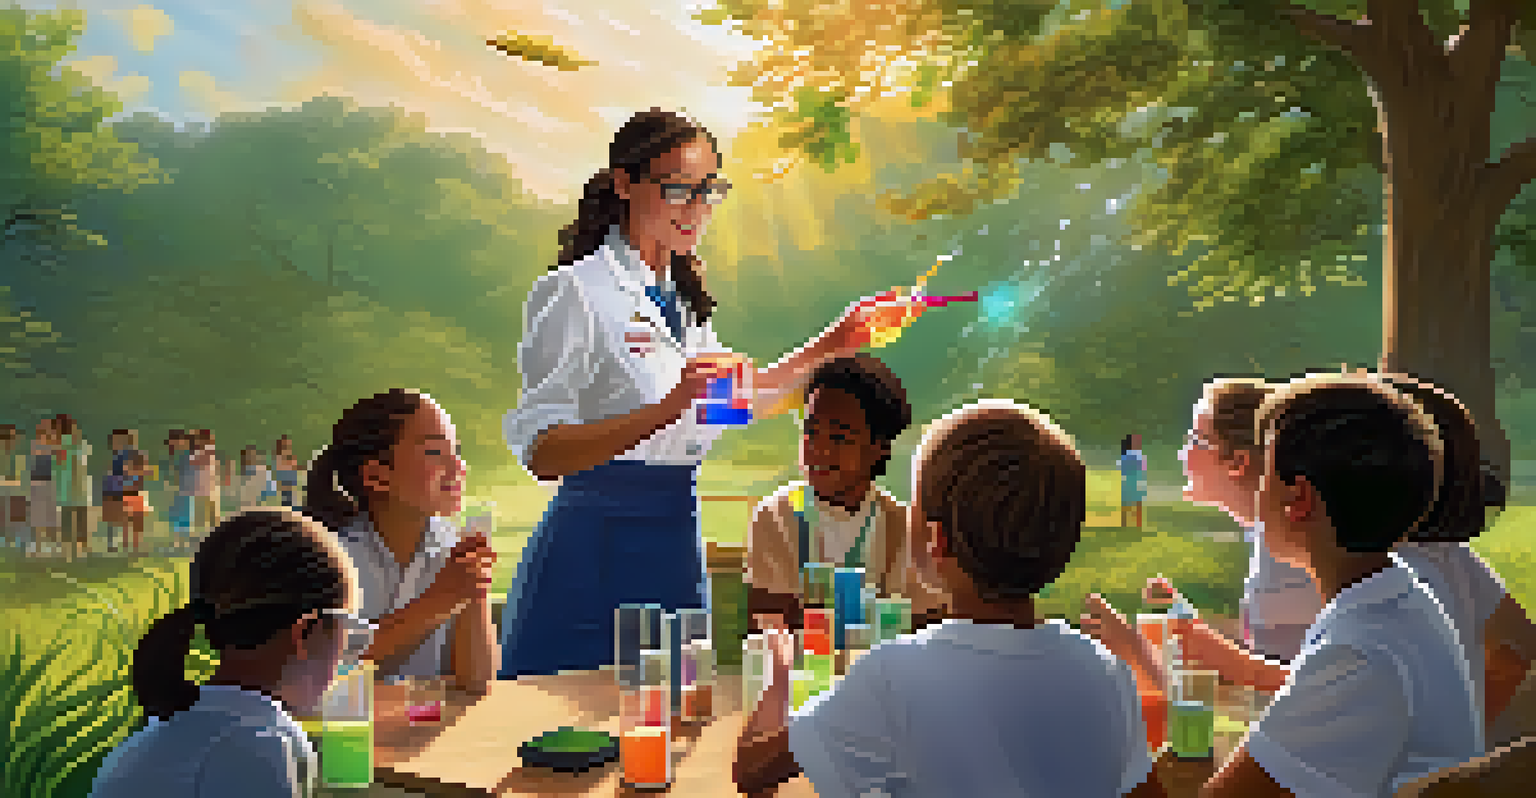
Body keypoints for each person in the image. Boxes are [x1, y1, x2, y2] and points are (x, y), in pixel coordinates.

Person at [498, 108, 897, 678]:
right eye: (679, 190)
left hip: (674, 538)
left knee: (675, 714)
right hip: (593, 546)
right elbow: (543, 451)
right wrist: (669, 406)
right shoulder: (575, 292)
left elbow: (731, 404)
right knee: (574, 728)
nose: (698, 210)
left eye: (709, 191)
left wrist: (841, 337)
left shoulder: (681, 302)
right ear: (624, 184)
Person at [735, 400, 1164, 798]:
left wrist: (780, 670)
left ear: (935, 540)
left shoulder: (892, 675)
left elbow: (752, 769)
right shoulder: (1106, 674)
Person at [1193, 374, 1482, 797]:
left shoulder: (1359, 653)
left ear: (1299, 500)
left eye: (1266, 473)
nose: (1256, 492)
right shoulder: (1400, 598)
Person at [88, 508, 375, 798]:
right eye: (347, 634)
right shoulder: (255, 743)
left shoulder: (190, 724)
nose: (346, 656)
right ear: (305, 634)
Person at [1082, 378, 1322, 695]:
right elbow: (1279, 657)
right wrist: (1191, 628)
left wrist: (1135, 651)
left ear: (1237, 462)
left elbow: (1326, 688)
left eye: (1196, 439)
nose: (1183, 453)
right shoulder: (1274, 540)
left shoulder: (1289, 557)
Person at [304, 389, 498, 690]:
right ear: (377, 477)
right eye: (435, 452)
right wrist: (440, 599)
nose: (459, 467)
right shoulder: (330, 557)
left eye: (457, 451)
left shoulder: (452, 548)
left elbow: (477, 681)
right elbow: (325, 675)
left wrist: (472, 593)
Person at [744, 353, 947, 633]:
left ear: (879, 446)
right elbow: (771, 626)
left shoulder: (906, 529)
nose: (820, 449)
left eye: (839, 437)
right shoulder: (777, 516)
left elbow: (928, 628)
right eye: (811, 432)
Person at [103, 429, 148, 556]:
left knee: (135, 520)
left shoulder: (136, 454)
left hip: (133, 490)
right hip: (118, 490)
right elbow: (111, 473)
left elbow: (144, 470)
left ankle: (133, 547)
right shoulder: (115, 455)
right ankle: (119, 545)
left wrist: (134, 473)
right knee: (120, 519)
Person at [55, 414, 92, 561]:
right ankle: (78, 553)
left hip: (70, 488)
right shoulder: (78, 443)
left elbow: (62, 463)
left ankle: (69, 553)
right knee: (79, 521)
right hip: (75, 488)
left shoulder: (65, 444)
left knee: (69, 521)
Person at [29, 417, 62, 559]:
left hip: (50, 482)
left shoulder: (53, 444)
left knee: (51, 514)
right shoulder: (36, 444)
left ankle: (52, 545)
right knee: (39, 515)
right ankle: (39, 545)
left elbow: (59, 457)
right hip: (38, 482)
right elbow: (38, 455)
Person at [1, 424, 26, 552]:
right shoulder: (4, 452)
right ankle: (7, 540)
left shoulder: (17, 453)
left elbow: (20, 472)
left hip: (14, 487)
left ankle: (15, 540)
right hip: (4, 486)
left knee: (15, 514)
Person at [235, 445, 277, 509]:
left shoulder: (262, 472)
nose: (250, 460)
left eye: (252, 457)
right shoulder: (239, 479)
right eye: (247, 457)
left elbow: (272, 492)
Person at [1120, 433, 1147, 529]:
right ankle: (1137, 523)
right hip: (1135, 481)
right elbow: (1142, 468)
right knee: (1137, 503)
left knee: (1126, 503)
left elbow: (1121, 468)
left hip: (1128, 481)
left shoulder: (1125, 455)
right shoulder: (1135, 455)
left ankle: (1124, 522)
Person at [273, 435, 302, 507]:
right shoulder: (279, 459)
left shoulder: (291, 458)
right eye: (286, 447)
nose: (288, 449)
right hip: (285, 487)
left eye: (289, 446)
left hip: (292, 487)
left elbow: (295, 469)